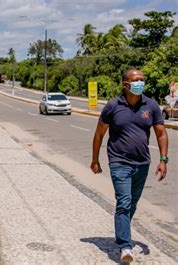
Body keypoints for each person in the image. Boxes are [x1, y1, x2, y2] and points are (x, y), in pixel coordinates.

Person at [91, 69, 168, 263]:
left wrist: (163, 160)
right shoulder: (113, 106)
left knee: (132, 203)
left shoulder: (150, 105)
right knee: (124, 203)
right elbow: (99, 134)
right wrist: (95, 159)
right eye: (136, 80)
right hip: (119, 162)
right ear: (125, 84)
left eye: (142, 80)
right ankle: (125, 246)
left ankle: (121, 231)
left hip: (142, 163)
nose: (140, 83)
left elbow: (161, 133)